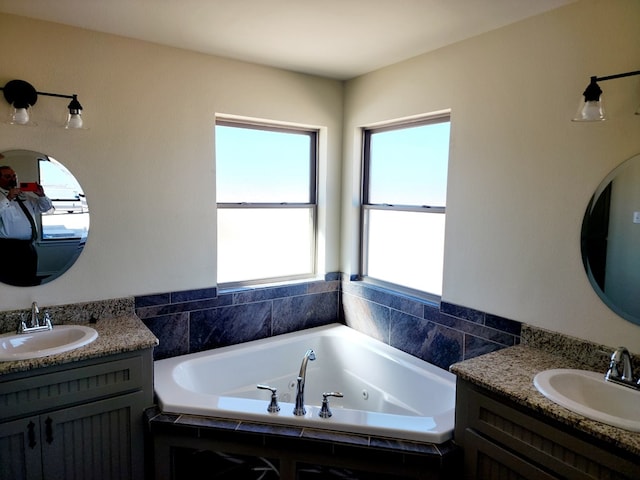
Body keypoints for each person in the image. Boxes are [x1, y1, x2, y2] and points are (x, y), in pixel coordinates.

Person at [0, 158, 54, 286]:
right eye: (8, 176)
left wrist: (41, 195)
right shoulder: (1, 197)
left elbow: (45, 208)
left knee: (29, 279)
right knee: (11, 281)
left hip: (28, 247)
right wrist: (8, 198)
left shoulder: (24, 196)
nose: (13, 179)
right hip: (7, 249)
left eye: (14, 176)